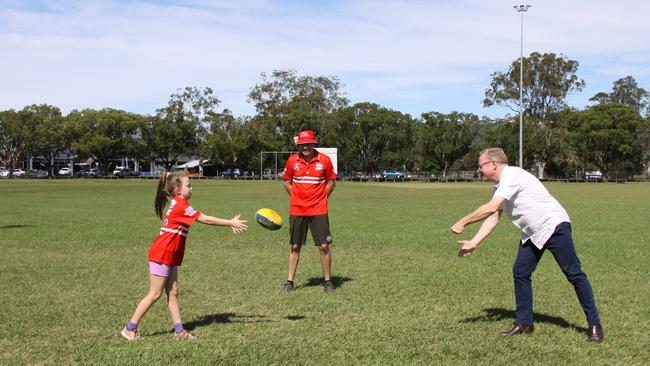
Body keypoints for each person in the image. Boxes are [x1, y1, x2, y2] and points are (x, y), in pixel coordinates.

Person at [451, 148, 603, 342]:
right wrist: (474, 242)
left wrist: (463, 221)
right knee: (521, 272)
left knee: (574, 274)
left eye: (480, 165)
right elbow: (493, 216)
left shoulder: (512, 175)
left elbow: (489, 208)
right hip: (532, 233)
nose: (479, 170)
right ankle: (524, 323)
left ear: (493, 164)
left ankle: (594, 324)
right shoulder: (499, 187)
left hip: (554, 226)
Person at [121, 170, 248, 341]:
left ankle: (179, 332)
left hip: (170, 254)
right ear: (177, 190)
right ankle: (130, 328)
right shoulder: (181, 205)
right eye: (189, 185)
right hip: (162, 253)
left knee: (173, 292)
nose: (191, 188)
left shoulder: (178, 201)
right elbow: (206, 219)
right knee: (154, 294)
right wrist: (230, 222)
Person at [281, 130, 337, 294]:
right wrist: (297, 197)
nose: (305, 147)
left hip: (318, 209)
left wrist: (320, 198)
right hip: (297, 210)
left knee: (324, 246)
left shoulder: (324, 160)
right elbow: (286, 183)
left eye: (308, 143)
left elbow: (331, 183)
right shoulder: (292, 160)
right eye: (302, 144)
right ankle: (289, 282)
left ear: (313, 144)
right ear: (299, 145)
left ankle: (328, 282)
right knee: (295, 245)